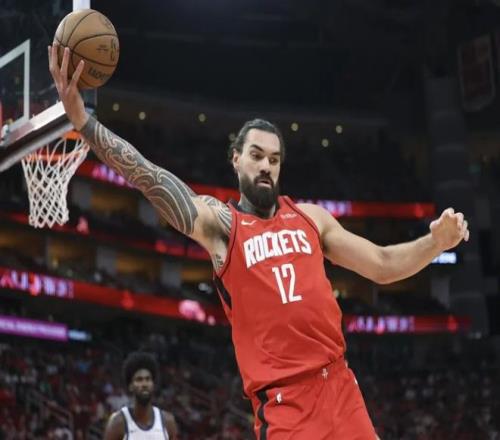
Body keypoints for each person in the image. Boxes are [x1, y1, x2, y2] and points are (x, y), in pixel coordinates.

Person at [49, 44, 470, 440]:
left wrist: (435, 243)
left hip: (341, 387)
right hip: (285, 405)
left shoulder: (312, 218)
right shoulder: (222, 225)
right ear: (236, 159)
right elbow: (148, 176)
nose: (266, 166)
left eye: (274, 159)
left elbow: (381, 263)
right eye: (256, 155)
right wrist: (86, 124)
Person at [103, 352, 178, 440]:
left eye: (148, 379)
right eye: (139, 380)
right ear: (130, 386)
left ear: (153, 384)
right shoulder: (117, 423)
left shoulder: (168, 422)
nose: (144, 384)